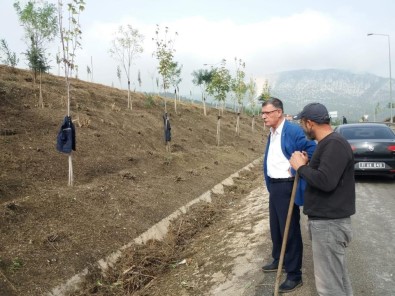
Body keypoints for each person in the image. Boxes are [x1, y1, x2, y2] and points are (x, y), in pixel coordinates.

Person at [290, 102, 356, 296]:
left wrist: (300, 168)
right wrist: (308, 164)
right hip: (328, 224)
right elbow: (325, 173)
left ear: (310, 123)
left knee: (329, 287)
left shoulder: (333, 144)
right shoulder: (327, 144)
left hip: (329, 225)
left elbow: (326, 181)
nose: (302, 128)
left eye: (302, 123)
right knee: (339, 281)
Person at [261, 97, 316, 293]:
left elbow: (311, 149)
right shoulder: (273, 131)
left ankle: (294, 275)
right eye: (263, 113)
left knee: (289, 231)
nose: (264, 116)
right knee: (276, 226)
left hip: (286, 186)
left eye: (267, 113)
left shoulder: (292, 130)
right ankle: (279, 259)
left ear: (278, 112)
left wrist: (295, 170)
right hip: (274, 186)